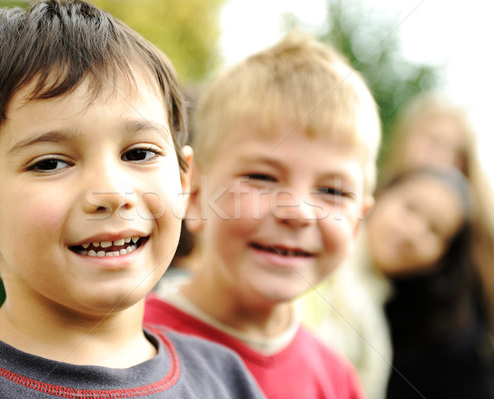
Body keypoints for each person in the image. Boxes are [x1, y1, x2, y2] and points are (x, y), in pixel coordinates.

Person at [0, 1, 265, 397]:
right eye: (50, 163)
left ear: (184, 181)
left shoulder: (226, 380)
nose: (112, 194)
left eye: (138, 153)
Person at [143, 33, 381, 399]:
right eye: (262, 178)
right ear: (194, 195)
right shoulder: (127, 346)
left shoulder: (338, 381)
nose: (298, 212)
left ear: (357, 222)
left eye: (333, 191)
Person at [377, 93, 494, 398]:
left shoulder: (481, 226)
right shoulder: (381, 199)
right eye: (431, 142)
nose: (440, 157)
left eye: (454, 151)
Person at [369, 168, 494, 399]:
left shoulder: (392, 319)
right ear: (379, 195)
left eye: (434, 230)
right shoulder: (316, 263)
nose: (413, 232)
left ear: (441, 259)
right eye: (410, 208)